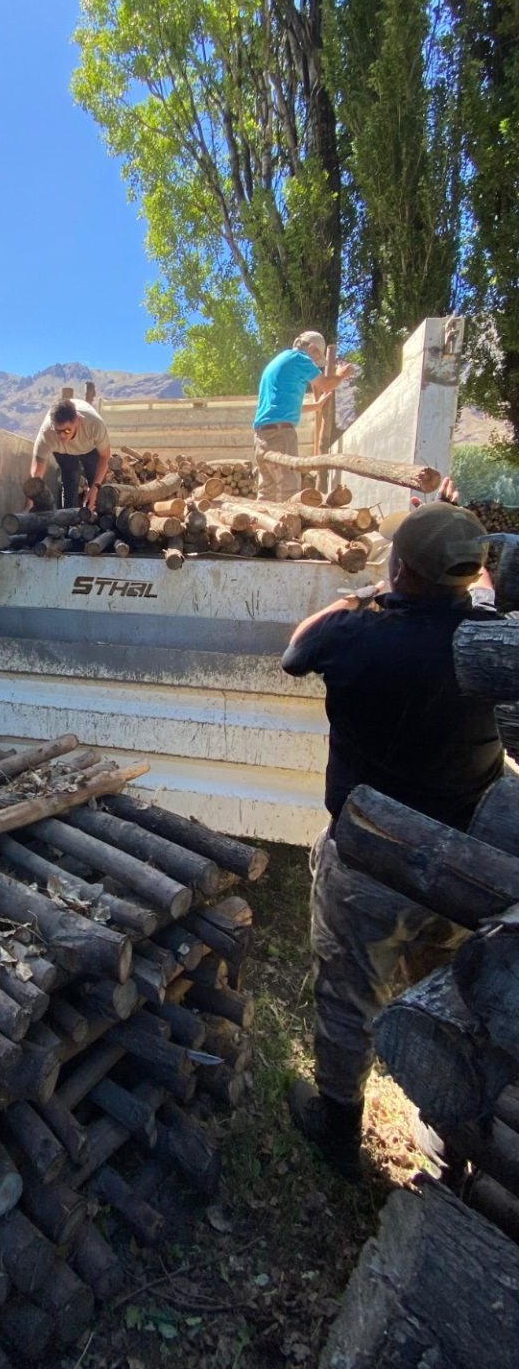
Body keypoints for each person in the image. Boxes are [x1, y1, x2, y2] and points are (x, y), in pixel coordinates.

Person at [280, 499, 503, 1181]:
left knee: (351, 992)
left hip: (373, 858)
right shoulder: (492, 643)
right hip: (467, 861)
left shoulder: (355, 630)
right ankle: (455, 1135)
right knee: (457, 992)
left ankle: (337, 1125)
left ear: (399, 567)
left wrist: (361, 597)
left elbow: (294, 653)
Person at [253, 331, 352, 502]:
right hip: (280, 435)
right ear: (312, 349)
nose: (314, 363)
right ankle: (287, 526)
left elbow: (283, 408)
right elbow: (327, 383)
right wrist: (342, 374)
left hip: (261, 435)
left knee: (267, 490)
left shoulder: (279, 361)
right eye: (316, 359)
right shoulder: (299, 359)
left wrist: (317, 406)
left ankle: (260, 525)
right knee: (289, 488)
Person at [31, 398, 111, 512]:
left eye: (67, 431)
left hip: (90, 448)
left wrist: (95, 487)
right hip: (64, 452)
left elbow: (105, 456)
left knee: (96, 481)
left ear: (77, 420)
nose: (62, 436)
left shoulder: (94, 425)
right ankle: (69, 519)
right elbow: (37, 473)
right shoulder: (47, 432)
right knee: (70, 477)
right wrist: (30, 503)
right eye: (58, 431)